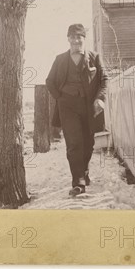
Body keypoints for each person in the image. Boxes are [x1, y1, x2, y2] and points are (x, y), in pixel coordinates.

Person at [46, 23, 108, 196]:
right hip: (67, 106)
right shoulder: (60, 59)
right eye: (72, 37)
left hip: (89, 107)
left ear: (84, 39)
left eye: (79, 37)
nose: (76, 40)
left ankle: (84, 172)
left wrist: (99, 99)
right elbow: (49, 81)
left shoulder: (95, 57)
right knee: (74, 143)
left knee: (88, 143)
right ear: (68, 39)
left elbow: (104, 80)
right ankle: (78, 181)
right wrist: (60, 98)